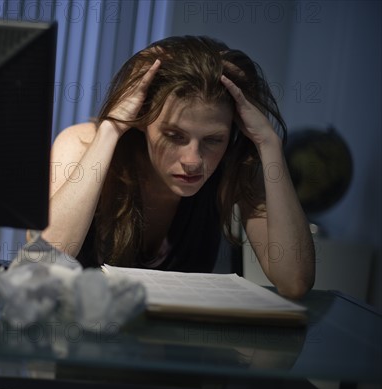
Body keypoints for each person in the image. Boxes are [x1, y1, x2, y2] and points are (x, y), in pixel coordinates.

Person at [41, 36, 315, 299]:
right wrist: (111, 129)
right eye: (174, 136)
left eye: (213, 140)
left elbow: (294, 282)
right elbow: (45, 261)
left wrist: (269, 143)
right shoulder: (82, 144)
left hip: (174, 342)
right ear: (141, 119)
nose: (193, 160)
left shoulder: (233, 165)